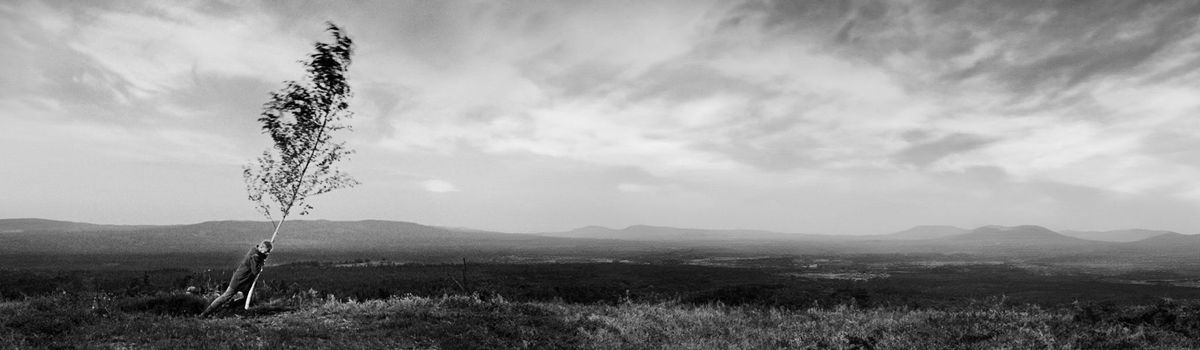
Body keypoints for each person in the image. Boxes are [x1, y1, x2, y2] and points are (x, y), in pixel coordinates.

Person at [199, 240, 272, 317]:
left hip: (244, 280)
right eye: (267, 251)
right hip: (239, 280)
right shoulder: (255, 256)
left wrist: (263, 257)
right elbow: (255, 271)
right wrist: (262, 263)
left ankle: (231, 309)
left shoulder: (255, 251)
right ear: (261, 247)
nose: (267, 253)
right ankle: (205, 314)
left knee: (246, 299)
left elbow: (259, 260)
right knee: (225, 297)